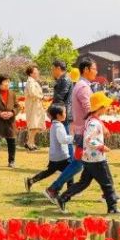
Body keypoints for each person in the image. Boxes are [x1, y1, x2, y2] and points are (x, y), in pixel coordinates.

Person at [56, 92, 120, 216]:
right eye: (105, 106)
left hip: (88, 158)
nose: (107, 108)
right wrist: (101, 146)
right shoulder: (94, 123)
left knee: (83, 183)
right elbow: (88, 139)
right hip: (97, 159)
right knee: (107, 183)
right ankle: (112, 208)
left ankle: (63, 198)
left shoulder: (91, 120)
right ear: (100, 108)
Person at [45, 58, 96, 202]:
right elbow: (87, 109)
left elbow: (60, 99)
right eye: (94, 69)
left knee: (82, 163)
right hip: (84, 129)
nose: (96, 72)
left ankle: (108, 193)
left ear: (57, 68)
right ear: (86, 70)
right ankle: (56, 188)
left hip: (79, 125)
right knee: (80, 163)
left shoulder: (70, 82)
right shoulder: (81, 86)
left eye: (52, 68)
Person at [24, 105, 75, 193]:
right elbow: (62, 139)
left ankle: (31, 180)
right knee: (70, 172)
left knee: (49, 172)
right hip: (61, 156)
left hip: (55, 156)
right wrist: (74, 138)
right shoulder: (59, 126)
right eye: (64, 112)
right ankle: (70, 191)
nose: (66, 114)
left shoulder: (54, 125)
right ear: (59, 115)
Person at [23, 65, 47, 151]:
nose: (38, 73)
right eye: (36, 72)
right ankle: (30, 143)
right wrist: (42, 97)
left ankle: (30, 142)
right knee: (34, 125)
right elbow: (32, 93)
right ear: (31, 73)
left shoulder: (32, 81)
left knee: (34, 125)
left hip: (36, 105)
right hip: (34, 106)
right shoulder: (31, 82)